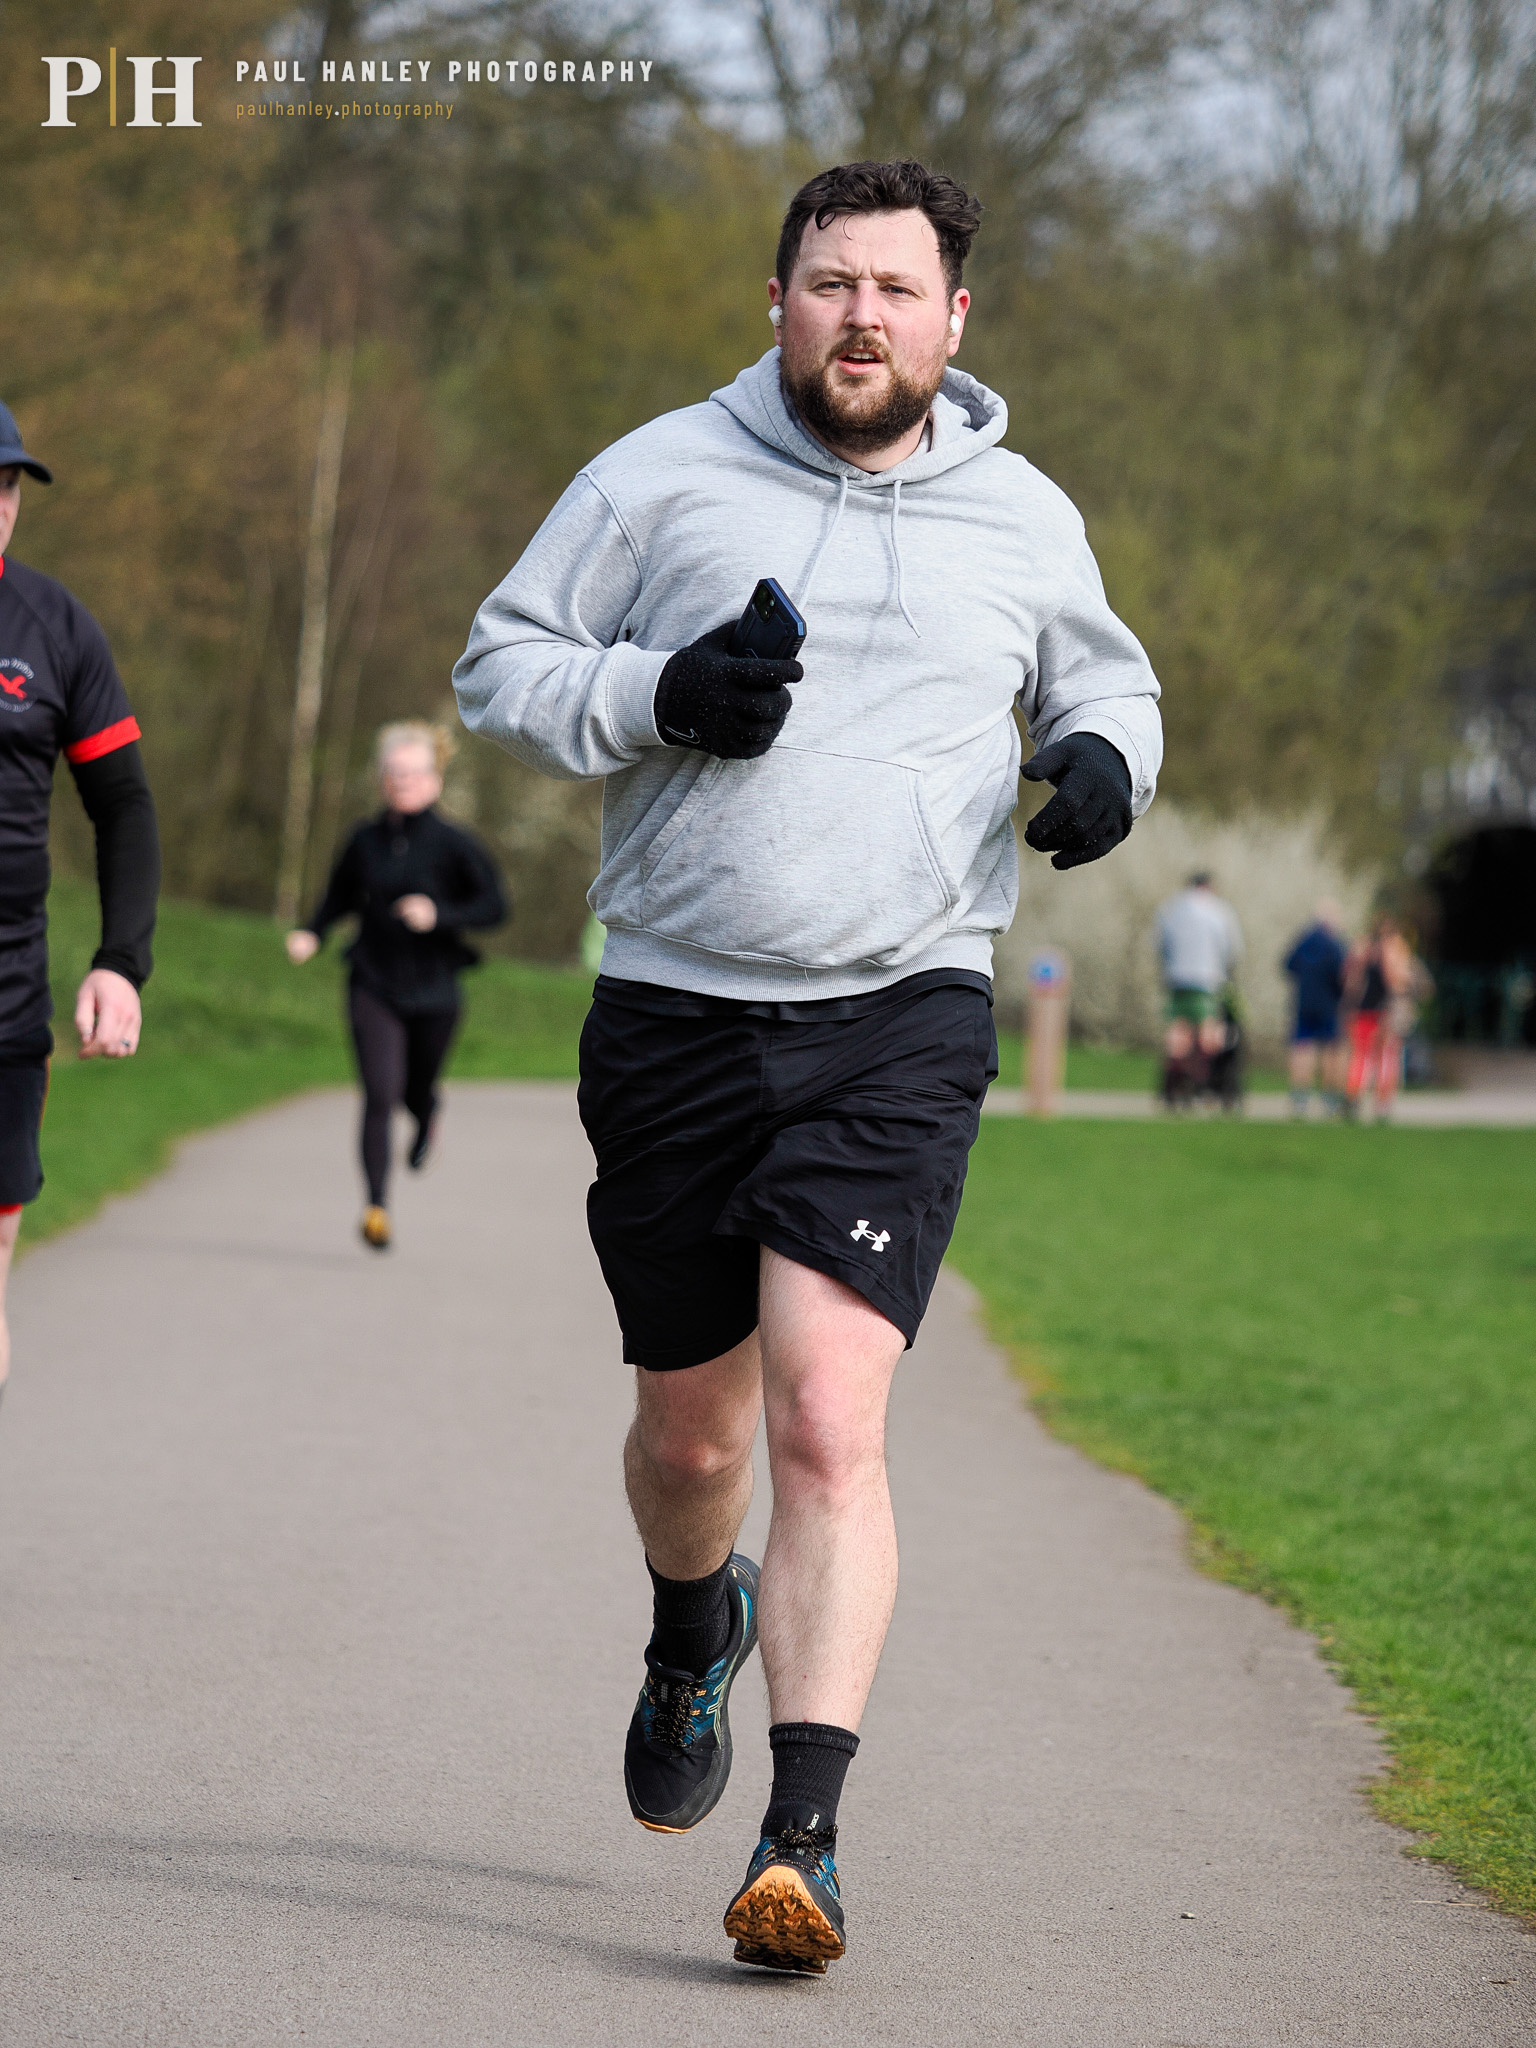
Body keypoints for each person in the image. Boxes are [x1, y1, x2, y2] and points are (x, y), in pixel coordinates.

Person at [454, 159, 1163, 1974]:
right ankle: (693, 1617)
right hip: (677, 1012)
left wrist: (1104, 759)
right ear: (776, 298)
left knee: (829, 1418)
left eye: (895, 288)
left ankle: (804, 1841)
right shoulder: (656, 475)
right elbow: (501, 667)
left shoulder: (1023, 513)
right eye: (831, 282)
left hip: (900, 1011)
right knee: (694, 1435)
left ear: (954, 317)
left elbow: (1111, 681)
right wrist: (659, 694)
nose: (862, 315)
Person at [0, 401, 160, 1401]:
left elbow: (124, 804)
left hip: (7, 999)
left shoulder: (54, 627)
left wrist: (120, 961)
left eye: (8, 484)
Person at [286, 722, 505, 1250]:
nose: (402, 782)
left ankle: (428, 1115)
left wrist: (439, 914)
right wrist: (313, 933)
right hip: (374, 981)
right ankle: (376, 1207)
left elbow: (495, 907)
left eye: (413, 773)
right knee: (380, 1092)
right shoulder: (364, 840)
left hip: (436, 988)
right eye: (394, 773)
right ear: (381, 778)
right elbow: (339, 895)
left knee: (415, 1088)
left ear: (435, 779)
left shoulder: (455, 844)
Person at [1156, 872, 1243, 1104]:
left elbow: (1161, 944)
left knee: (1178, 1032)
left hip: (1177, 978)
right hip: (1207, 980)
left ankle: (1174, 1084)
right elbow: (1232, 948)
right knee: (1208, 1033)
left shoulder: (1171, 909)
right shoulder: (1219, 910)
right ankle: (1201, 1083)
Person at [1342, 913, 1425, 1122]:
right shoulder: (1393, 949)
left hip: (1361, 1010)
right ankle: (1382, 1103)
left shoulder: (1363, 947)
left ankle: (1354, 1097)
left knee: (1361, 1055)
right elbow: (1395, 982)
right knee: (1387, 1056)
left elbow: (1349, 980)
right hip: (1383, 1011)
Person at [1282, 900, 1349, 1118]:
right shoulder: (1334, 944)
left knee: (1302, 1047)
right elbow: (1342, 975)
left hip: (1304, 1002)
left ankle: (1299, 1098)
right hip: (1328, 1003)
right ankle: (1329, 1098)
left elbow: (1288, 965)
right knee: (1331, 1049)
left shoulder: (1303, 941)